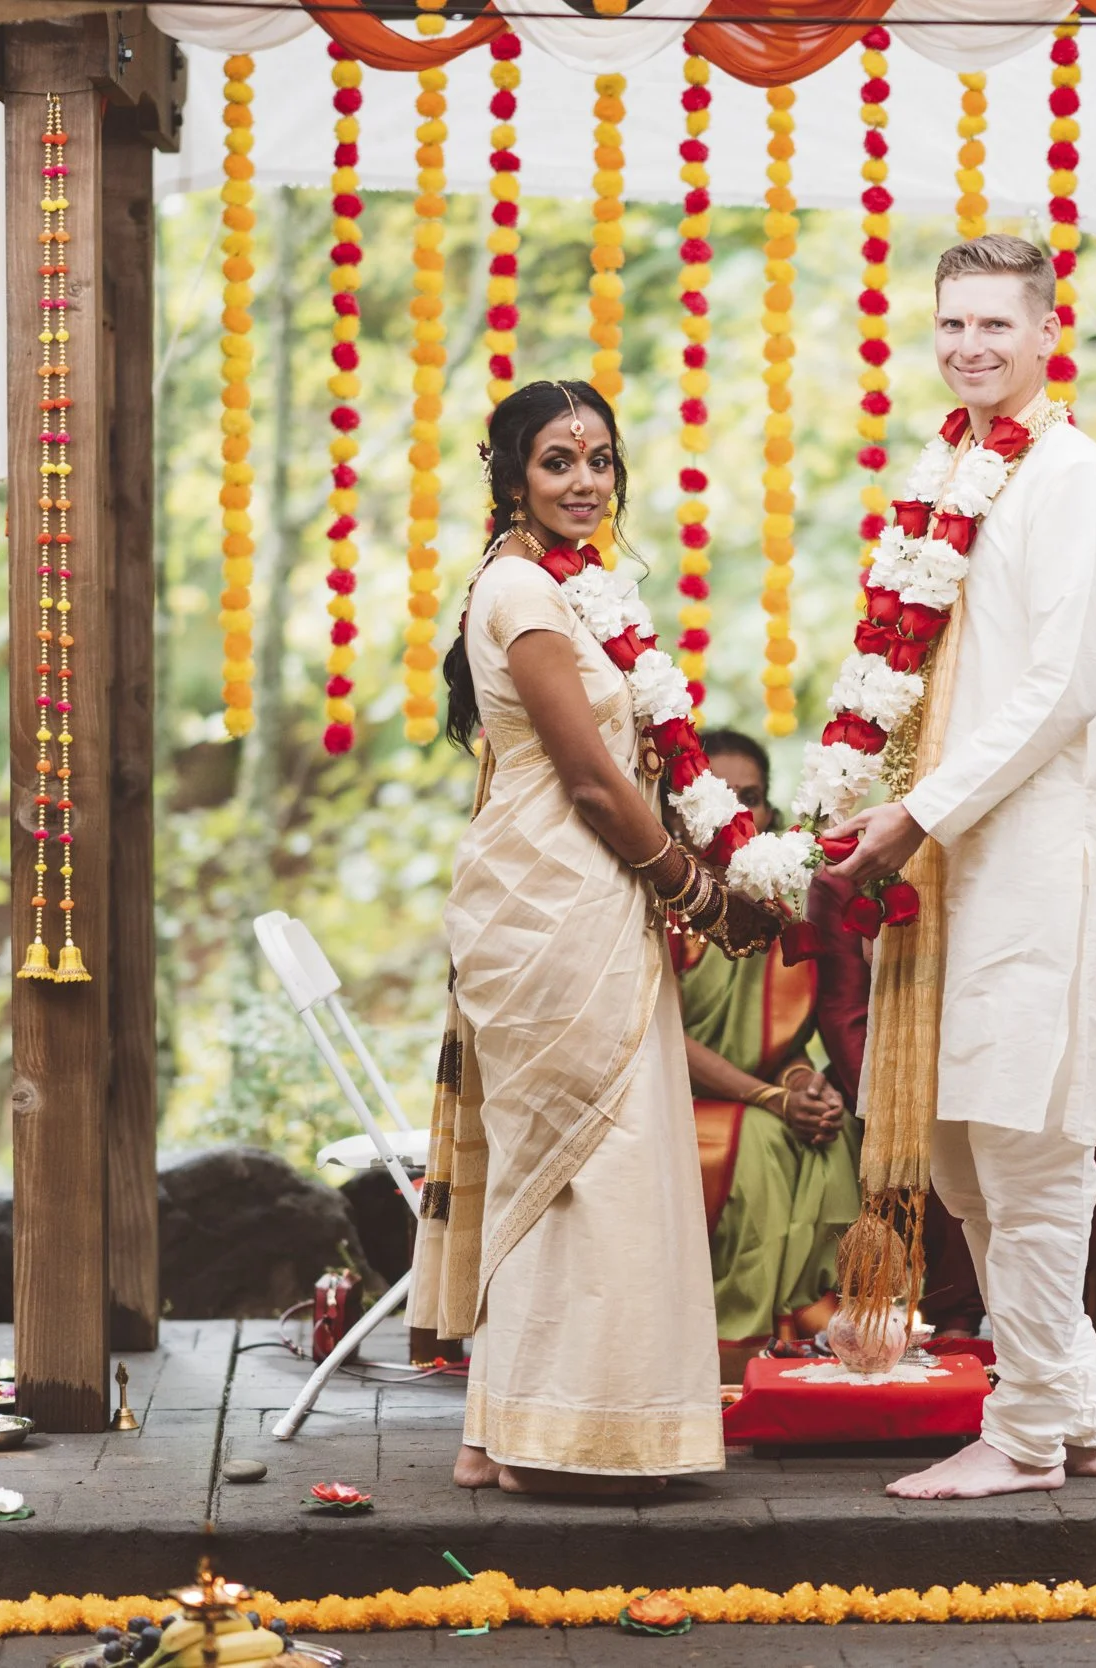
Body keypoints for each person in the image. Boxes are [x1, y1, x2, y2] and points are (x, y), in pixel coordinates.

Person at [827, 234, 1096, 1498]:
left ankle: (1024, 1435)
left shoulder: (1073, 480)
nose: (969, 347)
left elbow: (1062, 690)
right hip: (953, 850)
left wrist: (920, 812)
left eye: (994, 327)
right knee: (961, 1149)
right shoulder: (959, 473)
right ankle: (1072, 1402)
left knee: (1023, 1141)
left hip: (1032, 854)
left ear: (1043, 335)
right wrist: (880, 800)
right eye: (951, 325)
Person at [409, 379, 778, 1495]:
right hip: (549, 901)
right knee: (581, 1160)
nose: (583, 482)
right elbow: (588, 780)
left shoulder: (579, 589)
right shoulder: (523, 589)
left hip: (588, 895)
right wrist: (704, 895)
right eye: (557, 461)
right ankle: (543, 1432)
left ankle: (505, 1431)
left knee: (586, 1162)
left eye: (600, 460)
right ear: (511, 472)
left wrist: (707, 868)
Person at [676, 731, 862, 1379]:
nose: (740, 815)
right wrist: (773, 1099)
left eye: (751, 798)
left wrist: (805, 1083)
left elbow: (782, 1045)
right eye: (721, 798)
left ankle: (810, 1328)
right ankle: (736, 1345)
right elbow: (659, 1036)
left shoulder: (784, 904)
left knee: (829, 1132)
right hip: (667, 1100)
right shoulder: (663, 899)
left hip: (758, 1097)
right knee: (758, 1138)